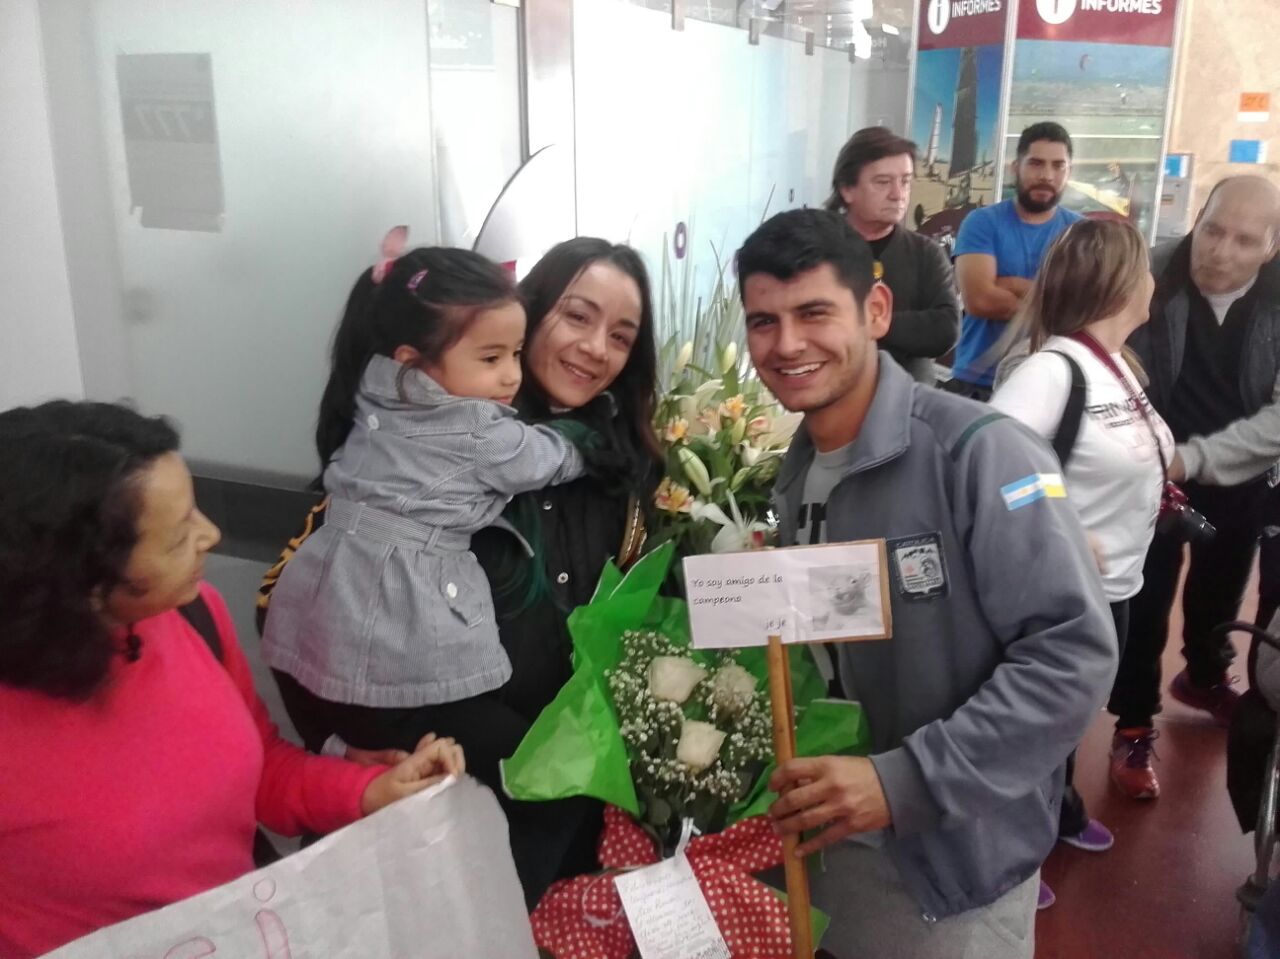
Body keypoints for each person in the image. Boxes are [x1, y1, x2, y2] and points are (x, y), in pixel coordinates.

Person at [738, 209, 1115, 958]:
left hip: (949, 873)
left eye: (814, 313)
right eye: (763, 322)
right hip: (826, 855)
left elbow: (1072, 656)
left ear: (876, 311)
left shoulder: (982, 453)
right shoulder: (794, 475)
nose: (787, 344)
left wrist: (905, 780)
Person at [257, 237, 662, 906]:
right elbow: (299, 612)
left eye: (621, 336)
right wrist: (338, 748)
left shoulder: (626, 469)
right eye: (577, 316)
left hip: (560, 818)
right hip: (423, 823)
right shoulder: (418, 443)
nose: (596, 348)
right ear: (531, 311)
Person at [0, 401, 464, 959]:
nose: (212, 534)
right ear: (84, 584)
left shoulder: (195, 616)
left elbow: (260, 768)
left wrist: (368, 791)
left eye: (194, 510)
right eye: (177, 537)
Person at [990, 219, 1172, 908]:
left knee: (1069, 723)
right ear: (1121, 283)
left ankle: (1057, 812)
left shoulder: (1118, 363)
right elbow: (988, 472)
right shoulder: (1049, 371)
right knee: (1039, 727)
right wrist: (1063, 524)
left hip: (1113, 586)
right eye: (1146, 269)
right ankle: (1010, 859)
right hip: (1059, 596)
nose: (1155, 281)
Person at [1108, 175, 1280, 800]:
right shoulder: (1147, 275)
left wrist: (1195, 459)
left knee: (1221, 591)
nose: (1221, 251)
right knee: (1145, 598)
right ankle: (1132, 724)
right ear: (1197, 220)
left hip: (1238, 469)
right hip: (1147, 470)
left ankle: (1204, 678)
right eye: (1213, 230)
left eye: (1245, 240)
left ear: (1272, 246)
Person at [944, 122, 1082, 400]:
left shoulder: (1080, 233)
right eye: (1036, 163)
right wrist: (1051, 304)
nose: (1046, 175)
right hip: (978, 382)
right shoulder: (982, 223)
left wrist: (1011, 284)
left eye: (1058, 166)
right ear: (1015, 167)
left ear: (1069, 172)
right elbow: (980, 301)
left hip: (1051, 385)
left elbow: (1081, 312)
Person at [825, 126, 960, 385]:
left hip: (907, 394)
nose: (898, 194)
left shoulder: (926, 253)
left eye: (905, 181)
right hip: (830, 389)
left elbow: (945, 330)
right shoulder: (817, 248)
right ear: (847, 189)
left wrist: (864, 322)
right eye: (883, 182)